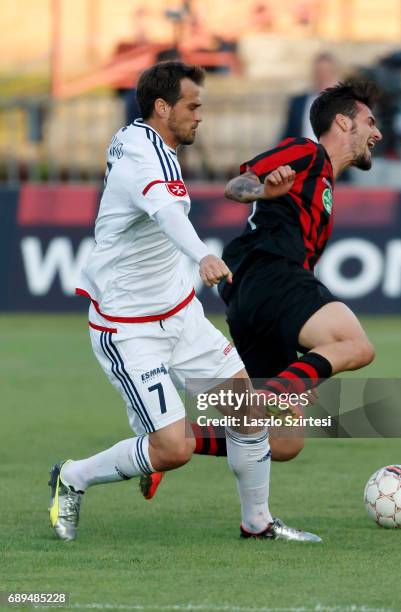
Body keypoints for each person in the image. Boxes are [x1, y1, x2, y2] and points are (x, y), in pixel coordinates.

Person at [48, 61, 320, 543]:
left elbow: (169, 207)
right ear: (161, 107)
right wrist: (202, 255)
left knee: (247, 412)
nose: (200, 116)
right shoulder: (139, 154)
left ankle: (258, 523)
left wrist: (262, 191)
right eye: (192, 106)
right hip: (128, 328)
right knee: (173, 449)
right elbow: (169, 214)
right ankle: (73, 476)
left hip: (180, 314)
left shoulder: (155, 146)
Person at [139, 80, 382, 500]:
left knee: (283, 441)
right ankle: (275, 392)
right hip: (268, 273)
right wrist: (265, 188)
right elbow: (239, 185)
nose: (377, 133)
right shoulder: (307, 153)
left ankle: (173, 442)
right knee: (354, 344)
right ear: (343, 122)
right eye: (369, 121)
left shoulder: (323, 181)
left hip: (251, 293)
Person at [281, 52, 340, 141]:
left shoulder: (343, 102)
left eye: (326, 72)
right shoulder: (298, 103)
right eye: (319, 72)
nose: (323, 76)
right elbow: (288, 135)